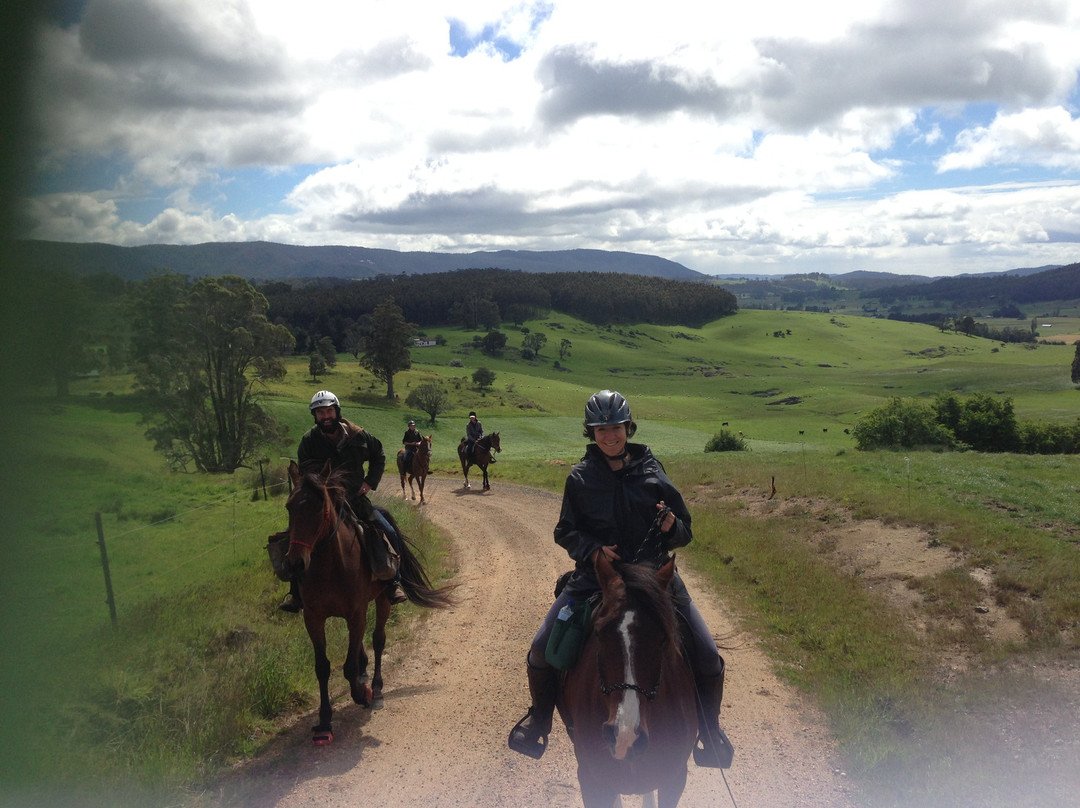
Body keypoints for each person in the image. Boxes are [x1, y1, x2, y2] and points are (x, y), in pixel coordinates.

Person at [508, 390, 730, 767]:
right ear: (590, 433)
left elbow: (685, 532)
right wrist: (593, 550)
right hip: (596, 581)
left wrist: (672, 525)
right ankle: (539, 720)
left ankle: (710, 731)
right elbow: (565, 531)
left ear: (628, 428)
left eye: (615, 428)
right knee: (541, 648)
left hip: (653, 581)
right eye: (600, 429)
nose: (609, 436)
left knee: (708, 655)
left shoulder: (652, 471)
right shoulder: (579, 478)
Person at [279, 390, 408, 611]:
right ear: (315, 415)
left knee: (388, 531)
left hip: (355, 500)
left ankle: (392, 583)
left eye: (329, 410)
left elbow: (379, 455)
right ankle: (295, 593)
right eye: (320, 412)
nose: (325, 416)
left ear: (337, 411)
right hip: (322, 503)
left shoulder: (358, 436)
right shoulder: (309, 441)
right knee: (294, 535)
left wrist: (369, 482)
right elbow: (306, 476)